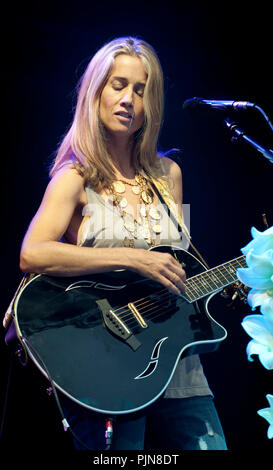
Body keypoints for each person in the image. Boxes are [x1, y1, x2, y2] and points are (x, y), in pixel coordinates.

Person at [19, 36, 227, 450]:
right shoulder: (74, 177)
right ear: (95, 92)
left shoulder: (170, 174)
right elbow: (33, 253)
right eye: (118, 85)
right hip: (111, 368)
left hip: (180, 367)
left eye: (140, 90)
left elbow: (179, 263)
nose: (129, 99)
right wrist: (133, 259)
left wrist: (249, 271)